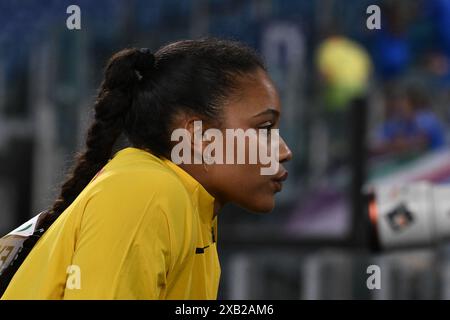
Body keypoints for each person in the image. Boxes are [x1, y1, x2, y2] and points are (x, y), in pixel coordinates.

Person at [1, 38, 292, 299]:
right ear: (200, 135)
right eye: (264, 128)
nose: (284, 151)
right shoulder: (147, 192)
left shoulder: (192, 209)